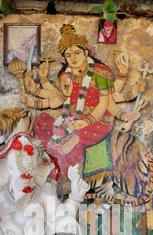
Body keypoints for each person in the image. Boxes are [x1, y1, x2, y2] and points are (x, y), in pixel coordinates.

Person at [21, 25, 115, 182]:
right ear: (64, 58)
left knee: (68, 145)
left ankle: (70, 181)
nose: (73, 58)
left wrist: (85, 121)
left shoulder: (100, 72)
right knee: (43, 121)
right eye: (68, 54)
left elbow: (106, 103)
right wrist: (34, 93)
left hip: (97, 119)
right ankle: (50, 171)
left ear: (85, 53)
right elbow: (56, 97)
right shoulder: (66, 75)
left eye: (77, 53)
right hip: (72, 118)